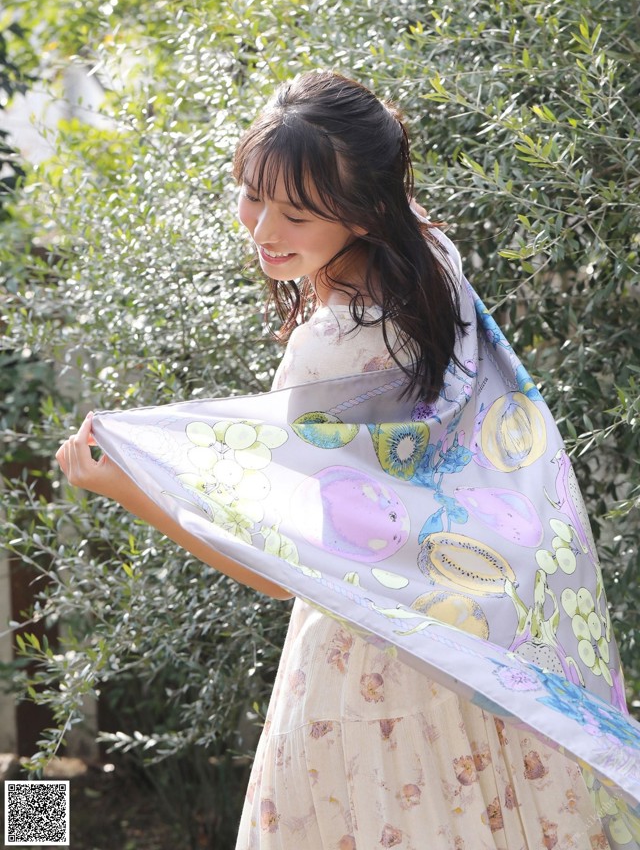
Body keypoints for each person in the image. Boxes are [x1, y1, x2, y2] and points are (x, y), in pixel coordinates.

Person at [57, 71, 627, 849]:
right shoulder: (434, 268)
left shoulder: (328, 348)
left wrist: (126, 486)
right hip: (476, 649)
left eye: (295, 212)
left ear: (363, 212)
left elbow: (275, 566)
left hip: (368, 676)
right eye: (250, 194)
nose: (262, 229)